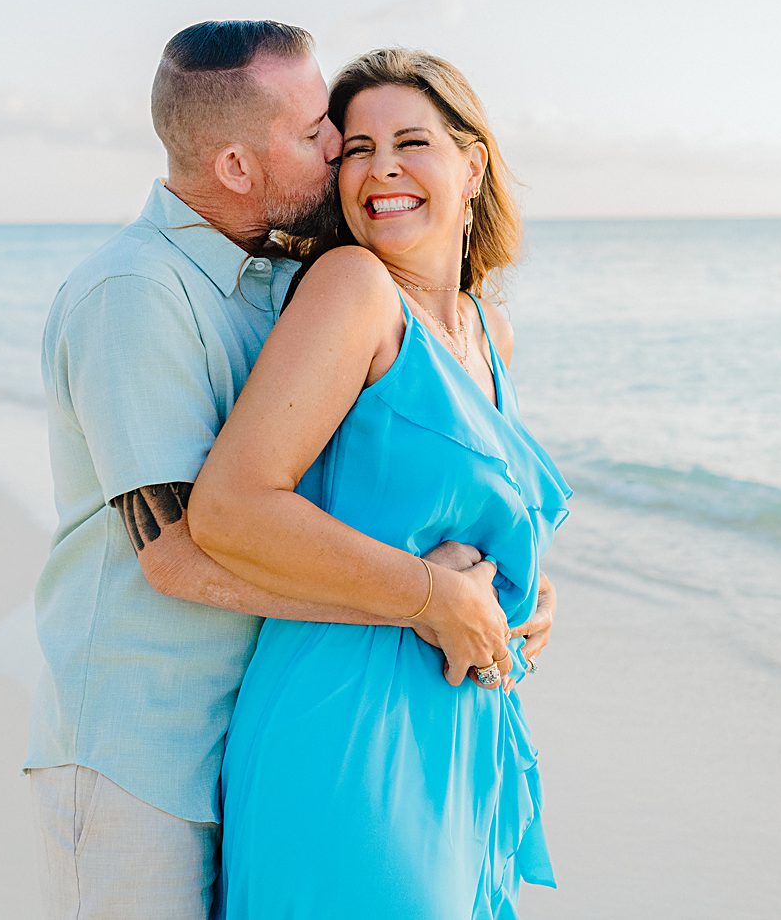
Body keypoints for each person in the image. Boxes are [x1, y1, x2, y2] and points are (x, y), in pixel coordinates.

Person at [25, 21, 553, 919]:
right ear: (236, 166)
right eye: (327, 139)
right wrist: (429, 602)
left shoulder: (266, 286)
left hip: (256, 725)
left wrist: (509, 600)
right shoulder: (138, 296)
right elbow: (182, 552)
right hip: (140, 749)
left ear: (473, 166)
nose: (350, 159)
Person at [190, 48, 570, 917]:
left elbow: (460, 511)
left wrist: (529, 590)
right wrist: (433, 595)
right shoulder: (355, 288)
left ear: (472, 164)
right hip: (347, 721)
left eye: (410, 141)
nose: (381, 168)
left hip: (462, 725)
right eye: (356, 148)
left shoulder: (489, 332)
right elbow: (230, 508)